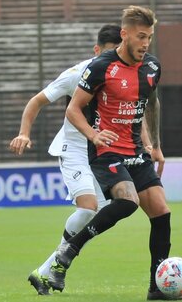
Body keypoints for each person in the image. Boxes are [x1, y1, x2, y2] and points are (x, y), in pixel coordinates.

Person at [49, 6, 180, 300]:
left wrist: (155, 146)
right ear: (125, 35)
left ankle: (157, 289)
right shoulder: (101, 67)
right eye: (140, 36)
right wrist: (94, 136)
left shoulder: (152, 67)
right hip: (106, 152)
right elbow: (73, 109)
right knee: (128, 201)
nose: (145, 43)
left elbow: (153, 104)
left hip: (136, 151)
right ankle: (70, 250)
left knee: (161, 212)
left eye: (149, 37)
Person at [9, 24, 124, 295]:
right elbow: (37, 101)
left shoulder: (122, 77)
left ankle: (45, 271)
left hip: (101, 152)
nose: (110, 60)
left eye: (116, 53)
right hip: (73, 149)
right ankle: (53, 267)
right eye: (106, 54)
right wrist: (24, 133)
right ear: (96, 51)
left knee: (98, 217)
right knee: (87, 209)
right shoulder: (78, 74)